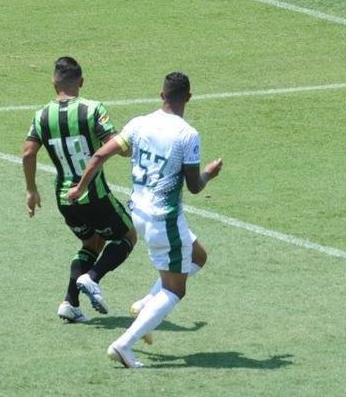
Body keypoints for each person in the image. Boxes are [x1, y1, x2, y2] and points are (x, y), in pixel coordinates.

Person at [66, 72, 224, 369]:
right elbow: (194, 186)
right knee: (175, 289)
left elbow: (100, 155)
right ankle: (124, 344)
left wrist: (80, 188)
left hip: (136, 212)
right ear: (188, 97)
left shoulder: (139, 123)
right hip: (163, 220)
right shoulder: (187, 134)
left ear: (161, 93)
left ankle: (144, 305)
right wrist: (209, 174)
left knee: (198, 257)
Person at [22, 57, 136, 324]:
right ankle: (92, 278)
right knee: (127, 235)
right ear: (81, 82)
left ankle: (70, 303)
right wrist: (128, 147)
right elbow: (115, 145)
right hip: (93, 194)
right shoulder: (93, 109)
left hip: (64, 198)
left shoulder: (41, 116)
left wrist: (31, 190)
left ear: (53, 81)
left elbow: (28, 153)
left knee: (91, 243)